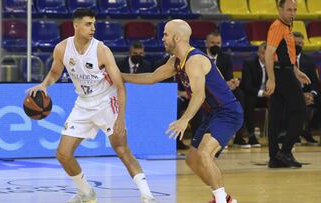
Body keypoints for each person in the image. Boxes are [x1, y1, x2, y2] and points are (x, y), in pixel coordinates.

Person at [26, 8, 155, 203]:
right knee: (63, 154)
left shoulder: (102, 50)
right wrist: (44, 85)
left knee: (121, 148)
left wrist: (121, 117)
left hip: (106, 102)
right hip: (83, 104)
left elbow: (120, 86)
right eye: (88, 24)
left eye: (94, 24)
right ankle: (86, 192)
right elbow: (54, 72)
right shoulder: (62, 48)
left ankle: (147, 195)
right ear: (76, 26)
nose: (93, 28)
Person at [122, 19, 241, 203]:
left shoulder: (195, 60)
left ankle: (220, 199)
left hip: (227, 112)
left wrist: (184, 120)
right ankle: (225, 198)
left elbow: (199, 95)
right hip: (212, 114)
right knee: (192, 160)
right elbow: (152, 77)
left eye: (165, 35)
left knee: (204, 154)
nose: (162, 39)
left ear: (177, 37)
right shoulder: (176, 61)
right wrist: (120, 76)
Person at [265, 0, 311, 168]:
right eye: (289, 9)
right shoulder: (278, 26)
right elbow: (269, 54)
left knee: (276, 115)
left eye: (295, 10)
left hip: (285, 71)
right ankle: (285, 152)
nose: (293, 13)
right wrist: (271, 78)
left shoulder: (287, 26)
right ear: (280, 9)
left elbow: (285, 54)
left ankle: (274, 157)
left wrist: (296, 71)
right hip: (281, 74)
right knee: (300, 109)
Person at [205, 31, 248, 148]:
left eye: (218, 43)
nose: (216, 45)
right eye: (212, 42)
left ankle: (239, 137)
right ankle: (209, 139)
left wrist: (233, 83)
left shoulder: (226, 58)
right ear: (206, 44)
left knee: (240, 94)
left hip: (222, 91)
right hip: (204, 90)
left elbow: (228, 78)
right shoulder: (200, 57)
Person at [240, 43, 269, 148]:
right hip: (253, 94)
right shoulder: (249, 63)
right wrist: (262, 93)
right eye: (262, 53)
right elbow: (247, 86)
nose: (265, 56)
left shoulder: (275, 63)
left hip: (268, 95)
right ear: (258, 53)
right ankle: (251, 135)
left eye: (268, 54)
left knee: (280, 100)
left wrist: (270, 93)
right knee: (249, 100)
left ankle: (280, 134)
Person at [293, 31, 319, 145]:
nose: (298, 45)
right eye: (295, 43)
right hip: (290, 92)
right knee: (291, 102)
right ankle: (292, 133)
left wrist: (312, 94)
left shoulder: (309, 61)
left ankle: (307, 130)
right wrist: (299, 95)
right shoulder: (283, 59)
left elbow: (314, 81)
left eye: (300, 43)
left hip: (307, 92)